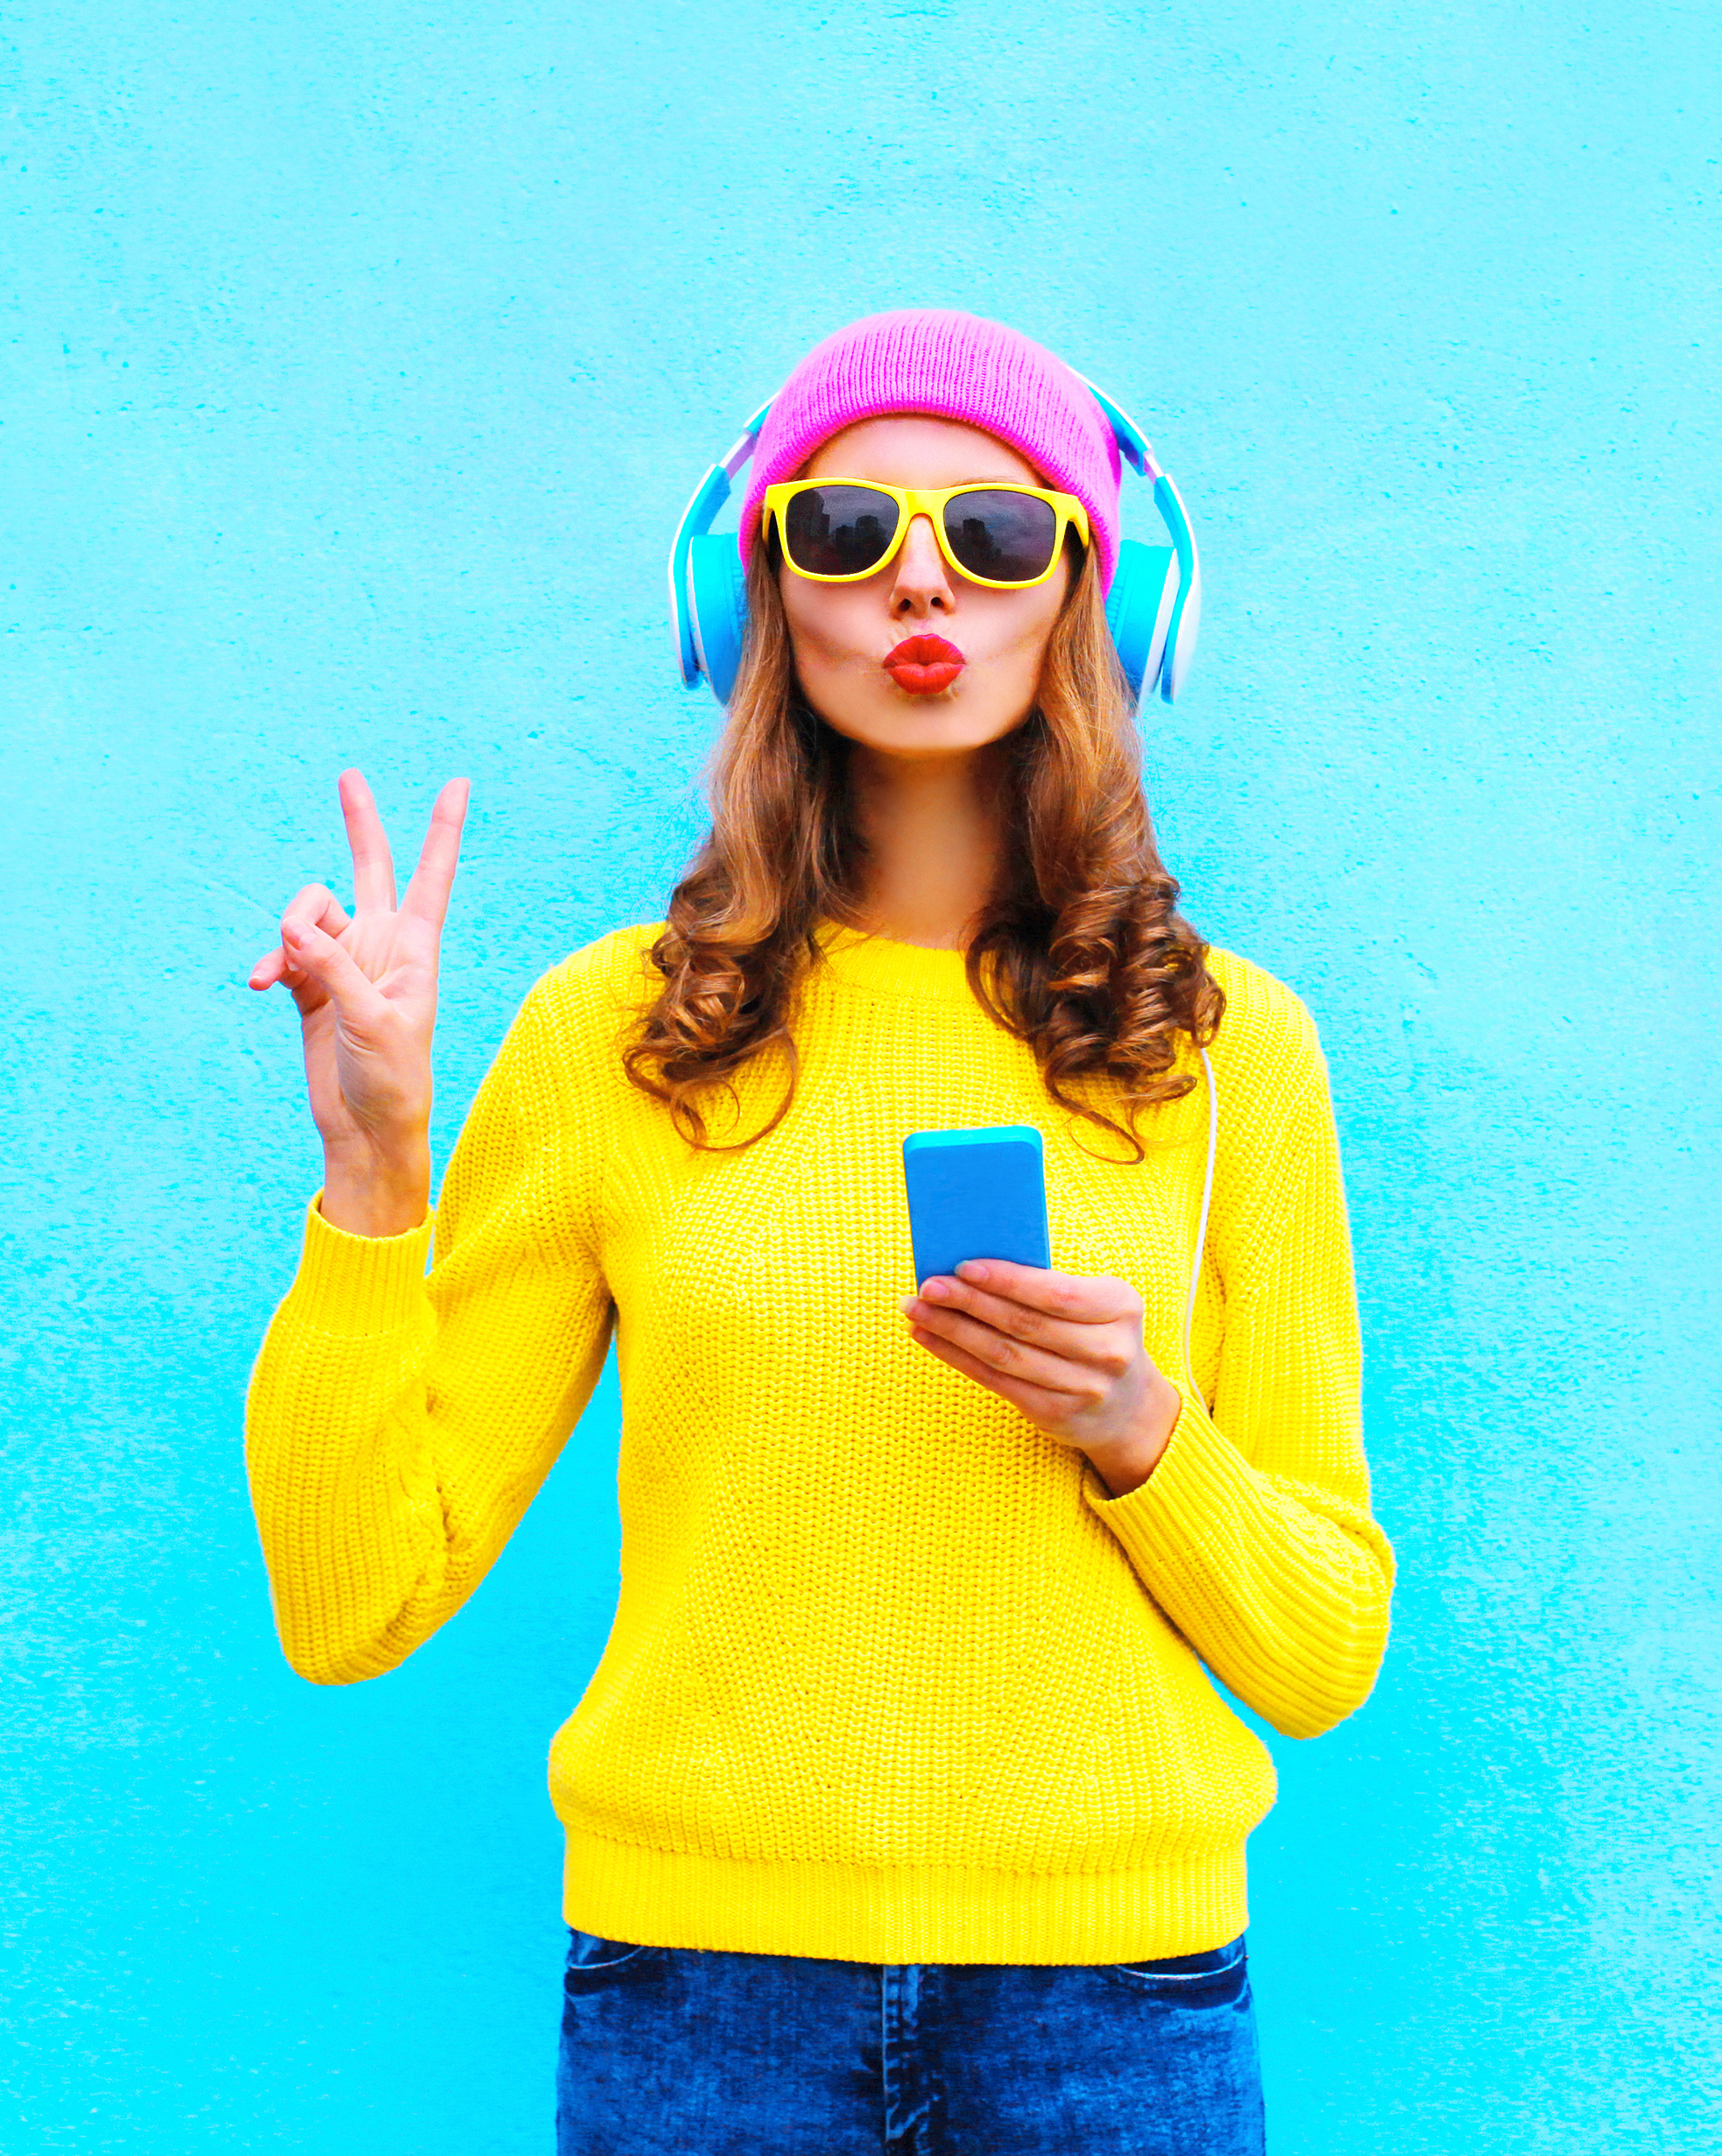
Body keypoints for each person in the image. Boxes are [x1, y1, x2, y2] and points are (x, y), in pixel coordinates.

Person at [240, 308, 1394, 2156]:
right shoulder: (612, 1031)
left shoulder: (1227, 1047)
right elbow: (349, 1601)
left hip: (1119, 2013)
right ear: (764, 588)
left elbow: (1324, 1651)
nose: (919, 582)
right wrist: (374, 1166)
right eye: (847, 530)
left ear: (1082, 589)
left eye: (994, 533)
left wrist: (1138, 1430)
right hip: (702, 2007)